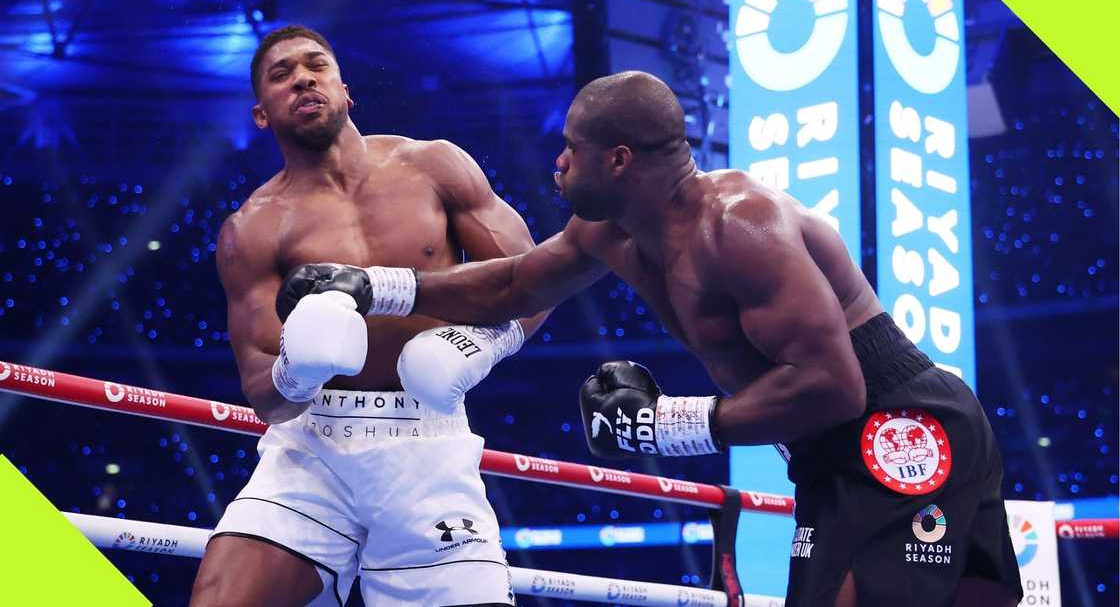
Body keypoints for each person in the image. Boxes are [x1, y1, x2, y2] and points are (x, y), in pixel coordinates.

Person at [307, 71, 1024, 606]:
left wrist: (664, 423)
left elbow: (836, 386)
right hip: (828, 449)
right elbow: (514, 286)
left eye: (571, 148)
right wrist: (377, 286)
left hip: (897, 428)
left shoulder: (739, 229)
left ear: (618, 159)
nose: (557, 162)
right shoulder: (608, 230)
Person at [189, 25, 545, 607]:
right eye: (282, 75)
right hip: (310, 450)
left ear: (345, 89)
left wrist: (481, 345)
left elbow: (531, 282)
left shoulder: (435, 167)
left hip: (425, 444)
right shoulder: (252, 228)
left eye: (315, 65)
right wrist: (296, 372)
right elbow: (262, 392)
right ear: (261, 114)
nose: (302, 77)